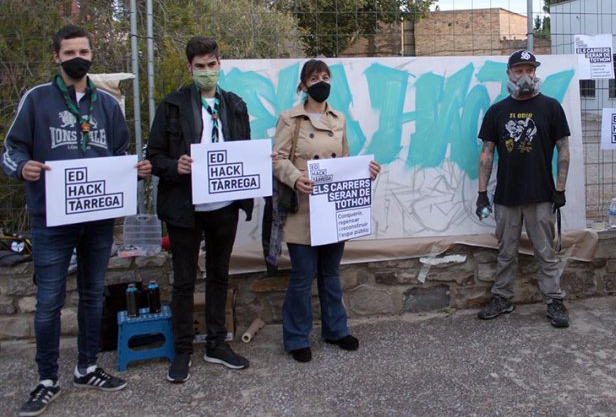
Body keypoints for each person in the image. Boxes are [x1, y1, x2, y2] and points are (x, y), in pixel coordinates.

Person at [3, 25, 152, 416]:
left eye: (83, 50)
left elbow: (120, 152)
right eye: (69, 52)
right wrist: (23, 169)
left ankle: (87, 367)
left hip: (98, 218)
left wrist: (134, 170)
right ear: (57, 57)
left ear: (92, 53)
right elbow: (11, 150)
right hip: (51, 220)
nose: (77, 57)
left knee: (92, 294)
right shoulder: (37, 99)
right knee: (49, 302)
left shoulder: (107, 104)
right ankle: (46, 379)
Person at [147, 36, 253, 383]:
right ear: (189, 68)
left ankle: (217, 344)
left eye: (211, 65)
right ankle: (182, 350)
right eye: (199, 67)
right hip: (185, 206)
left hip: (224, 205)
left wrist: (255, 166)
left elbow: (244, 152)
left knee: (220, 275)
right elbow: (154, 156)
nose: (207, 72)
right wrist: (174, 165)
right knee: (184, 280)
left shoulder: (234, 104)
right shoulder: (173, 105)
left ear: (219, 64)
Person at [273, 59, 381, 363]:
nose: (321, 81)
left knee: (331, 273)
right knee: (302, 275)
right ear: (303, 85)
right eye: (314, 77)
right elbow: (277, 159)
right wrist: (295, 179)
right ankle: (296, 338)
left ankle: (335, 329)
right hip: (302, 210)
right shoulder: (289, 119)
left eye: (325, 76)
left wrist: (365, 171)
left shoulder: (339, 119)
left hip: (333, 209)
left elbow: (343, 161)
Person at [475, 49, 572, 328]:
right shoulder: (497, 111)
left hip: (541, 193)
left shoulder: (551, 107)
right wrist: (482, 193)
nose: (525, 75)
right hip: (507, 195)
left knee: (546, 252)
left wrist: (560, 188)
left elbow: (563, 149)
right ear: (509, 74)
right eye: (519, 70)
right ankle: (502, 298)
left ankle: (554, 301)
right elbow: (487, 152)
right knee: (506, 251)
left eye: (530, 69)